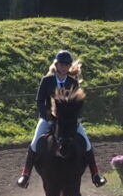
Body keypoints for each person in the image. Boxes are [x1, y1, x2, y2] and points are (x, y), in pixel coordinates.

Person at [18, 50, 104, 186]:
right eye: (61, 64)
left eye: (66, 65)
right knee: (34, 144)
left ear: (69, 66)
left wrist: (76, 118)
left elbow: (77, 103)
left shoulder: (73, 82)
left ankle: (95, 174)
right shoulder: (46, 81)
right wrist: (47, 117)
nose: (63, 67)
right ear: (56, 65)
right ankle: (25, 175)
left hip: (68, 121)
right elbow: (40, 101)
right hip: (48, 119)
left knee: (87, 143)